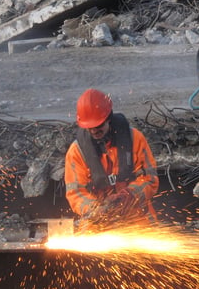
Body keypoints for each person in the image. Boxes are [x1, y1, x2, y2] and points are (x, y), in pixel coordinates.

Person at [64, 88, 159, 229]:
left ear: (109, 118)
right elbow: (76, 193)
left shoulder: (135, 139)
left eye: (98, 126)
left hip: (137, 217)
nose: (94, 131)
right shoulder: (77, 152)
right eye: (89, 127)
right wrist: (96, 209)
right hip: (99, 221)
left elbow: (150, 179)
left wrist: (130, 195)